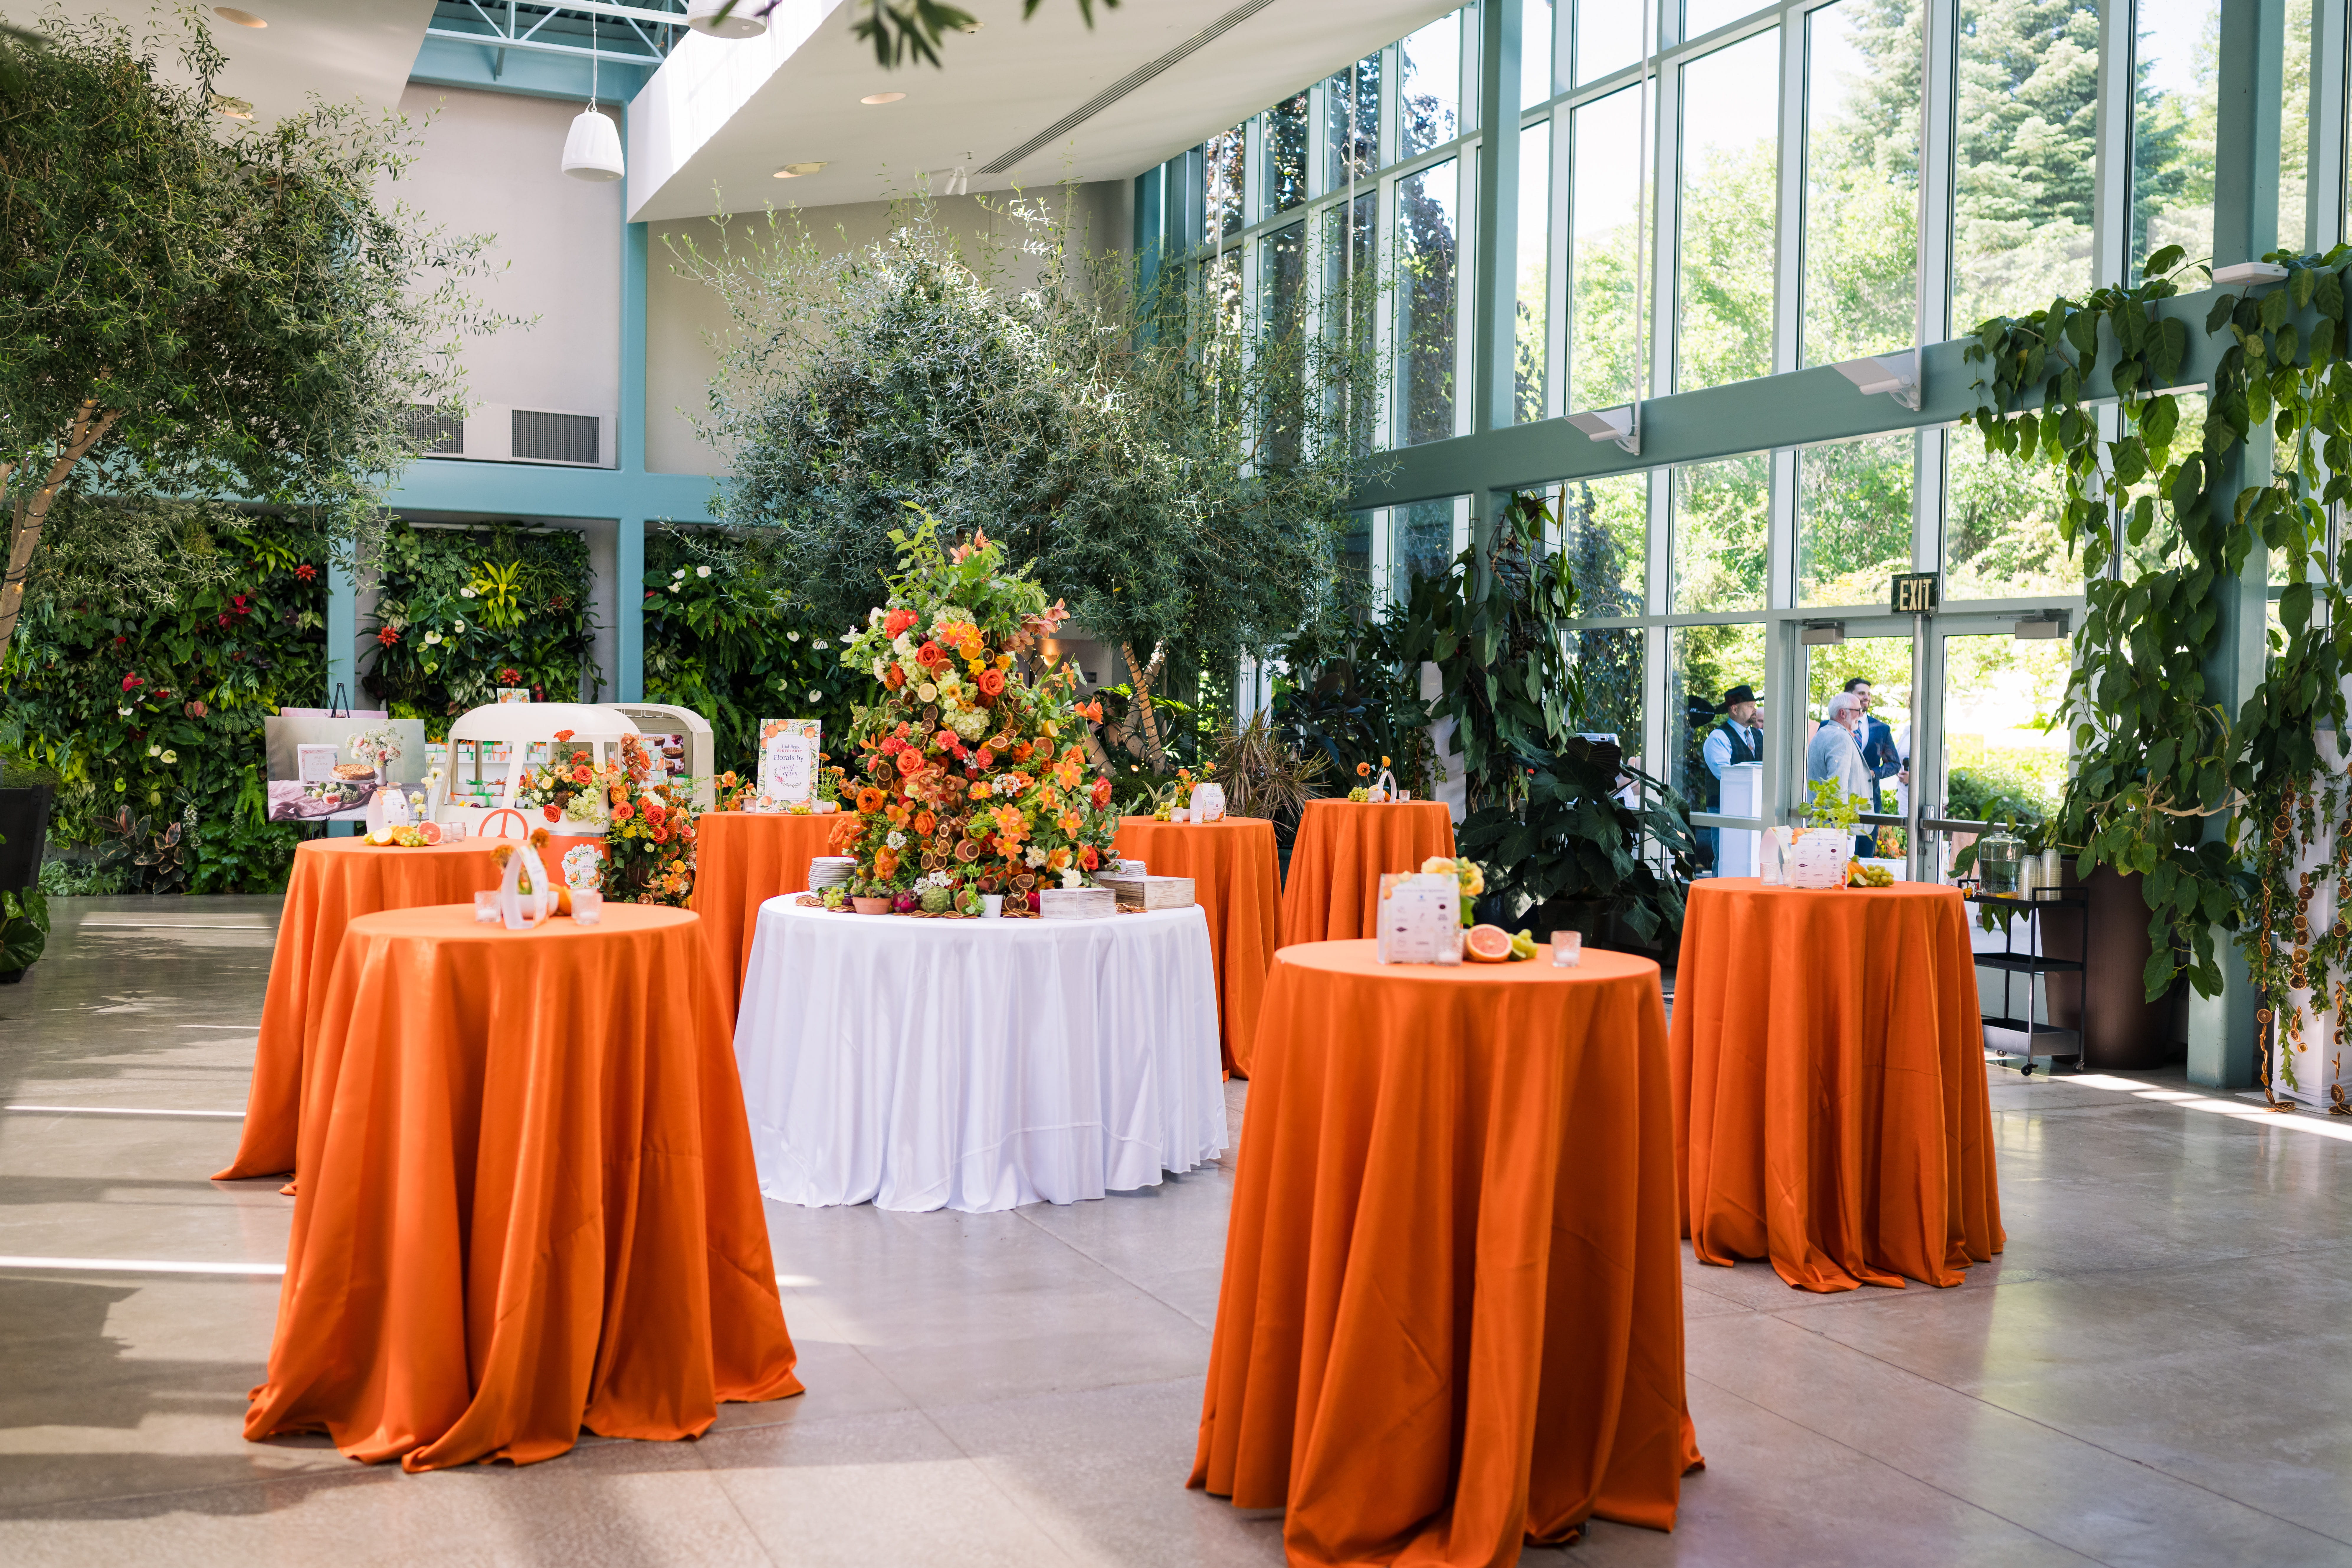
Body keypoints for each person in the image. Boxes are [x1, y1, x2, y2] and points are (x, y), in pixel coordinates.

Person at [1806, 690, 1873, 857]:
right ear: (1843, 713)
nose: (1862, 715)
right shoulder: (1839, 737)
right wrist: (1841, 830)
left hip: (1824, 825)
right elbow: (1837, 785)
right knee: (1839, 878)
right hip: (1836, 829)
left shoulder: (1822, 734)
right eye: (1858, 711)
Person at [1843, 678, 1907, 814]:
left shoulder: (1881, 729)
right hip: (1839, 802)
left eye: (1869, 694)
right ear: (1848, 696)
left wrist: (1873, 774)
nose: (1867, 698)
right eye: (1861, 693)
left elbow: (1894, 764)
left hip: (1870, 802)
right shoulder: (1832, 726)